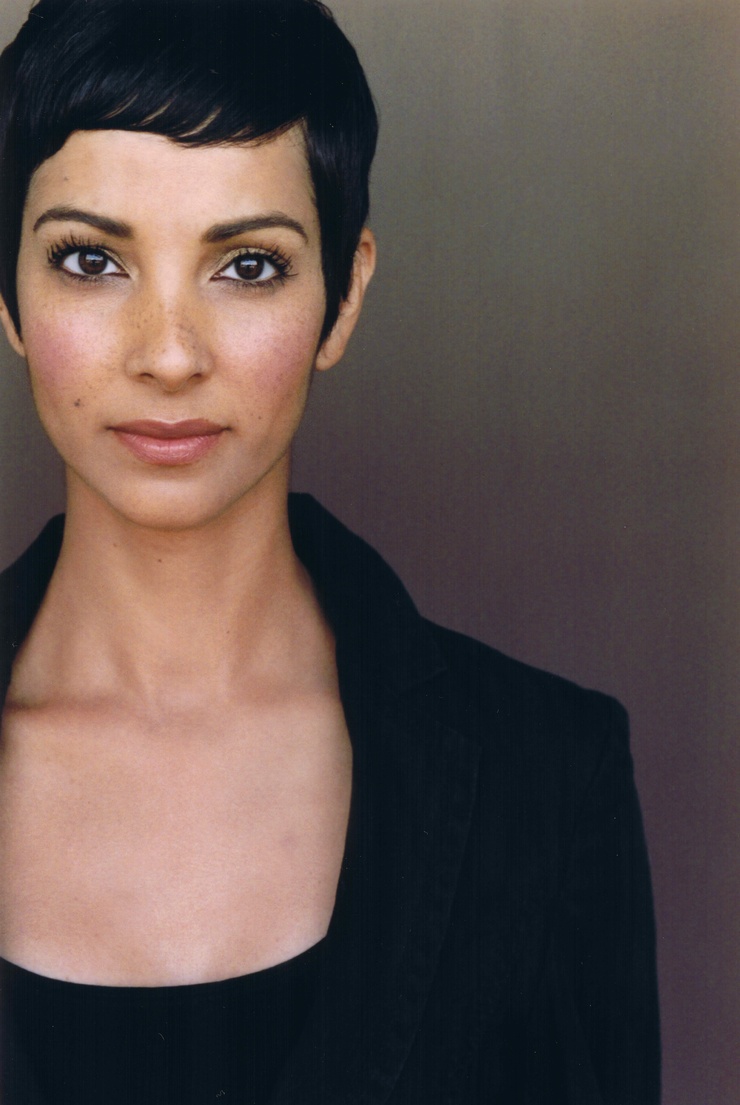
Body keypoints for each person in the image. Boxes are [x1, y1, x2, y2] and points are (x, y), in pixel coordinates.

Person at [0, 0, 660, 1101]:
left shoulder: (546, 779)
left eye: (248, 266)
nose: (170, 354)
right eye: (91, 259)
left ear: (343, 297)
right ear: (8, 295)